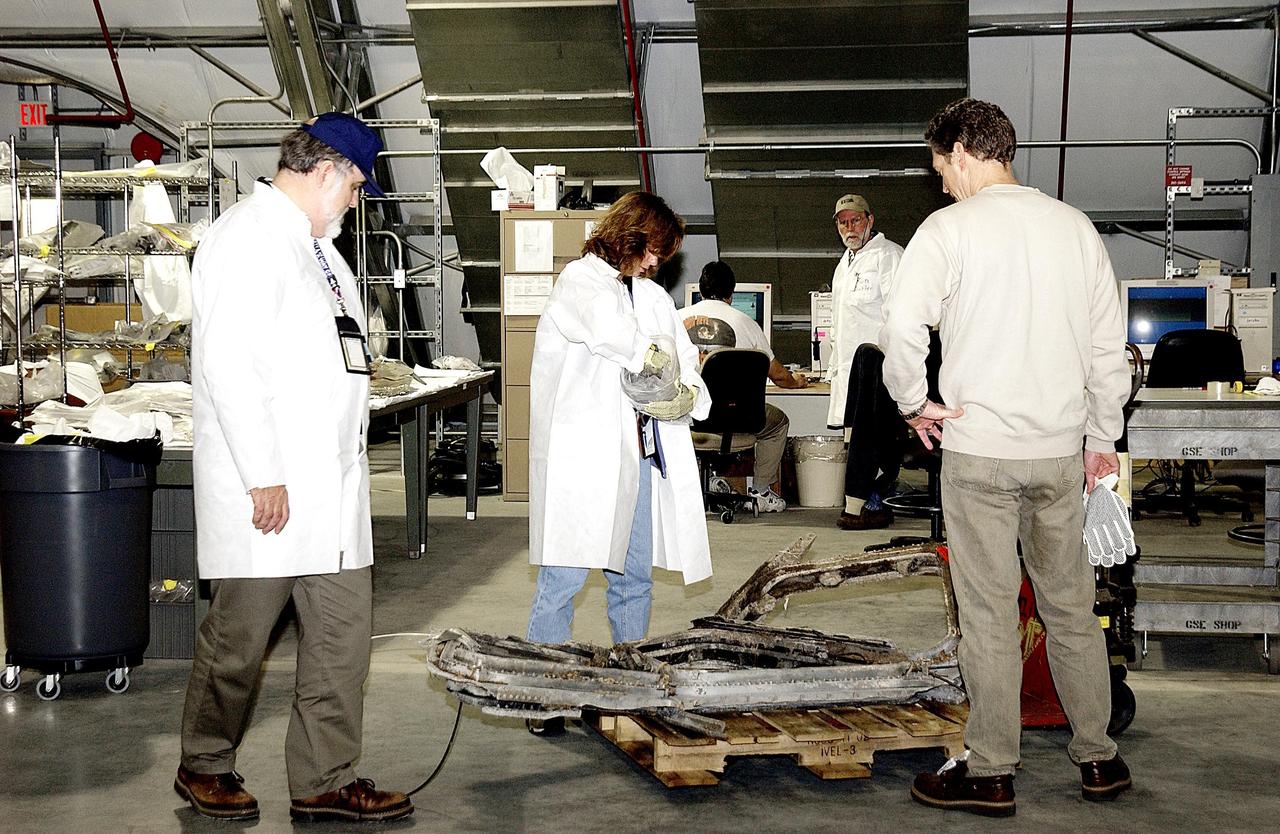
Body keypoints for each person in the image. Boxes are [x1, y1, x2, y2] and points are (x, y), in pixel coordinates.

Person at [880, 98, 1132, 817]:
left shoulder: (948, 230)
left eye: (941, 168)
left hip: (979, 455)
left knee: (989, 614)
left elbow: (902, 327)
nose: (942, 183)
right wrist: (1102, 438)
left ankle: (991, 771)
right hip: (1058, 454)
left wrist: (913, 402)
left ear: (962, 152)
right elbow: (1107, 350)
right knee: (1072, 609)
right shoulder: (1075, 228)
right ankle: (1099, 759)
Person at [175, 113, 412, 824]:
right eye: (357, 187)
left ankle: (324, 779)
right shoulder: (246, 238)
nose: (356, 201)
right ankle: (204, 763)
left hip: (332, 489)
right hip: (271, 487)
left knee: (342, 640)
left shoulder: (321, 252)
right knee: (239, 641)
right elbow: (229, 367)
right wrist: (263, 474)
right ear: (327, 170)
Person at [525, 192, 711, 730]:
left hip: (640, 457)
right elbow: (618, 339)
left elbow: (685, 358)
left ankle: (631, 686)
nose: (655, 263)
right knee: (563, 577)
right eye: (653, 250)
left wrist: (688, 395)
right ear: (630, 236)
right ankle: (543, 694)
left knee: (634, 579)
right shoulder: (580, 282)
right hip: (586, 459)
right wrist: (658, 369)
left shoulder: (650, 296)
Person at [682, 260, 806, 510]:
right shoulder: (747, 323)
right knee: (778, 422)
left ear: (701, 290)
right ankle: (760, 492)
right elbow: (779, 376)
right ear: (731, 293)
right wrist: (797, 381)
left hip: (691, 418)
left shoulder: (676, 319)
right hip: (736, 418)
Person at [823, 194, 904, 529]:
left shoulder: (889, 256)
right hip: (849, 372)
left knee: (873, 444)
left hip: (879, 374)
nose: (849, 228)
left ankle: (874, 504)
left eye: (855, 220)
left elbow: (901, 317)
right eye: (843, 222)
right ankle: (865, 503)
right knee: (856, 442)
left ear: (870, 220)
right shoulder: (844, 264)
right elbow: (839, 325)